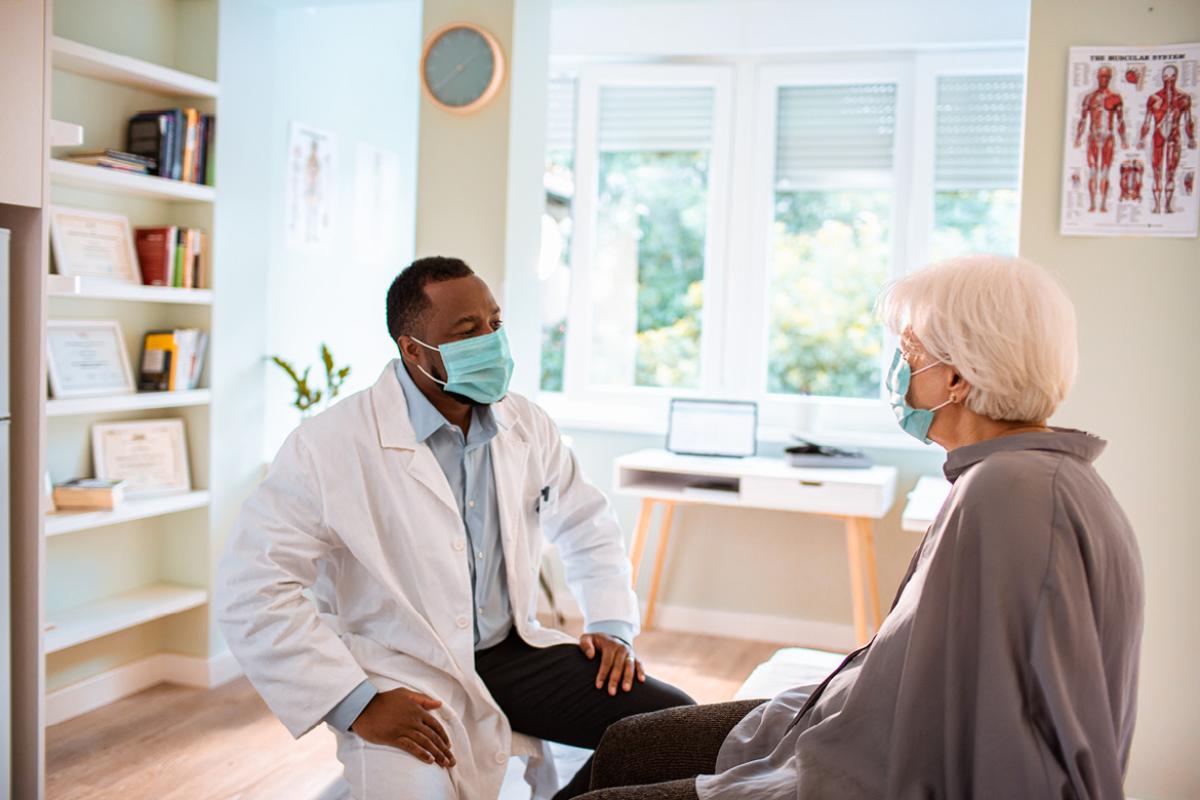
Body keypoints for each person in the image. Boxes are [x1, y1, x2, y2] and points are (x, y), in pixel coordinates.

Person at [575, 254, 1144, 800]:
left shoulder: (1010, 493)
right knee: (629, 741)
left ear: (955, 379)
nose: (899, 372)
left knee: (626, 760)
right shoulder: (1026, 476)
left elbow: (1007, 739)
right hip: (861, 719)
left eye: (908, 352)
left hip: (874, 766)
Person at [217, 257, 694, 800]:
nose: (491, 341)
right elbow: (251, 588)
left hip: (514, 654)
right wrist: (357, 702)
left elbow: (586, 522)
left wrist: (611, 623)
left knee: (673, 731)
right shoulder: (328, 445)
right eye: (467, 332)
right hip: (404, 668)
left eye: (495, 324)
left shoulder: (525, 423)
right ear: (413, 350)